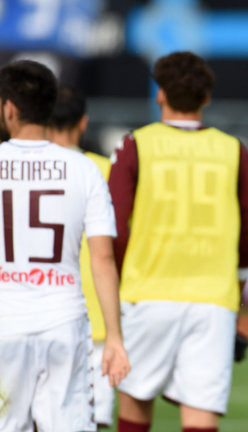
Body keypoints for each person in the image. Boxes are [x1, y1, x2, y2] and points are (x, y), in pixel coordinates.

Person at [108, 51, 248, 432]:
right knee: (201, 415)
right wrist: (235, 294)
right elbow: (247, 236)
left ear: (159, 93)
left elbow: (115, 229)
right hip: (213, 299)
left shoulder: (135, 144)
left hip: (147, 291)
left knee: (135, 407)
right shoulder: (232, 149)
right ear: (206, 97)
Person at [0, 60, 130, 431]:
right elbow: (102, 259)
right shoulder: (84, 169)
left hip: (5, 323)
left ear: (9, 107)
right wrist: (115, 338)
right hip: (64, 322)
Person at [47, 86, 116, 429]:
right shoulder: (104, 169)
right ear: (83, 122)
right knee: (92, 420)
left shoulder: (21, 168)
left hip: (38, 310)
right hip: (97, 314)